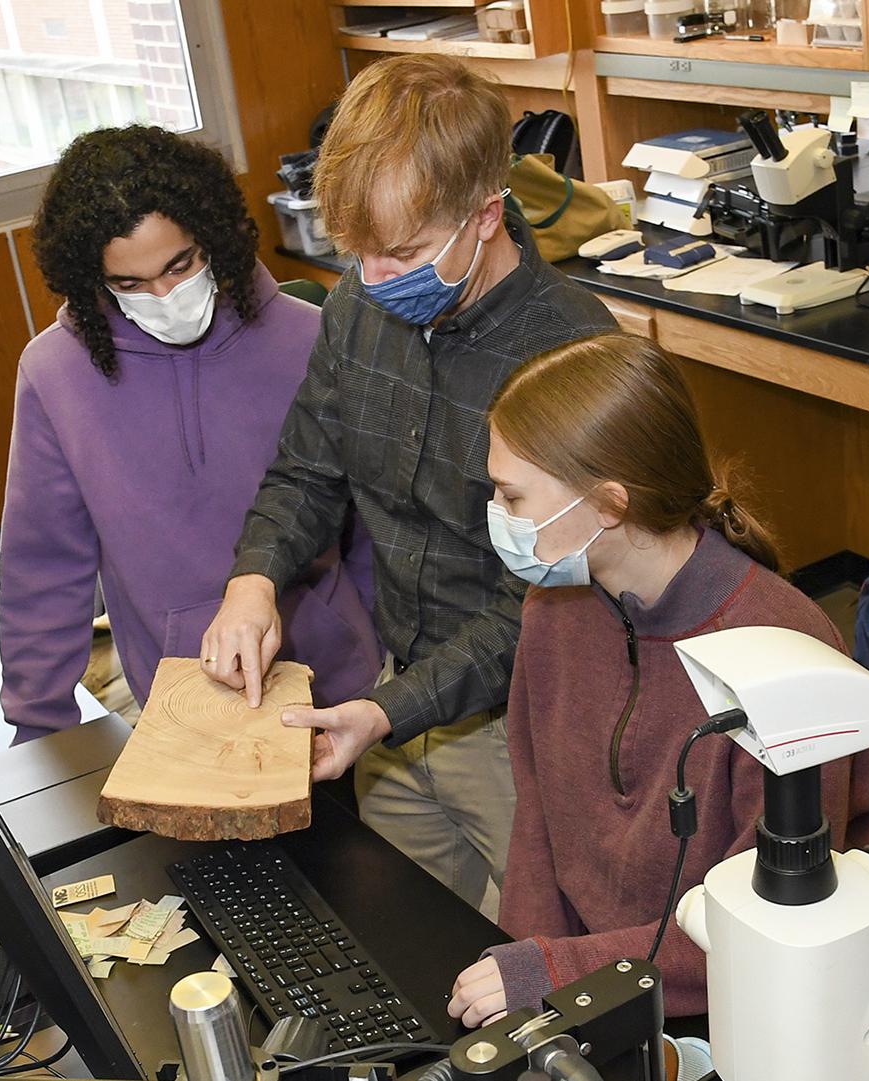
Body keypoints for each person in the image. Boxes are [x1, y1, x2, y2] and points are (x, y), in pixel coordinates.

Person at [200, 55, 618, 911]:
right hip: (393, 696)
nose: (375, 280)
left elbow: (541, 604)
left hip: (525, 723)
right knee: (414, 937)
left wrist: (388, 710)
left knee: (545, 961)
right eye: (359, 254)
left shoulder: (571, 354)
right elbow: (308, 467)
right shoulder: (363, 305)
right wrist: (252, 582)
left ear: (486, 216)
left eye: (403, 254)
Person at [444, 335, 869, 1025]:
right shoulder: (552, 613)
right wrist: (527, 967)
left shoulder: (784, 653)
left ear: (608, 505)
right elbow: (536, 818)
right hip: (593, 992)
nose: (499, 518)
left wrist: (558, 973)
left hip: (734, 1009)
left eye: (511, 495)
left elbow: (767, 935)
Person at [0, 126, 382, 744]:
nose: (164, 296)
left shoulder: (310, 338)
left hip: (337, 689)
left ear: (213, 236)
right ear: (92, 280)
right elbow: (44, 564)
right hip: (182, 705)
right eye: (129, 284)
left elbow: (369, 518)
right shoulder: (55, 375)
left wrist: (368, 638)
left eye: (180, 265)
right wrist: (40, 725)